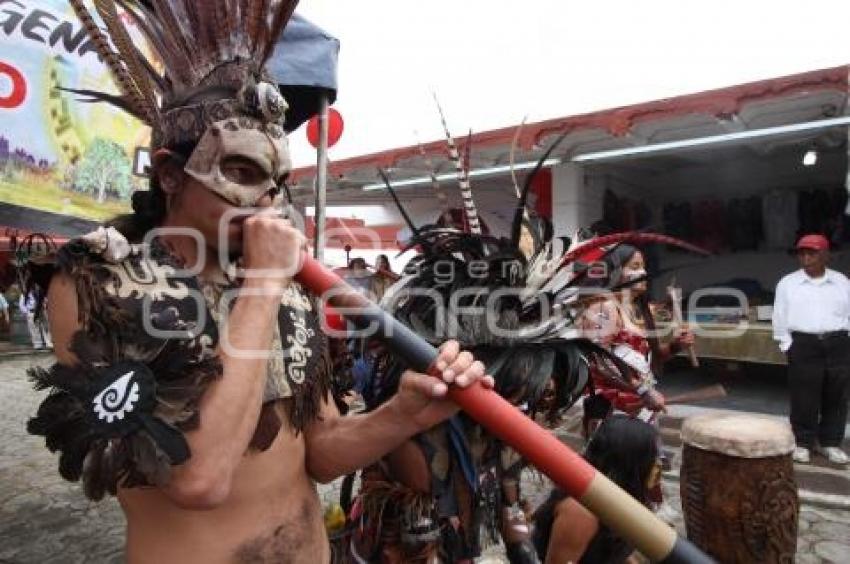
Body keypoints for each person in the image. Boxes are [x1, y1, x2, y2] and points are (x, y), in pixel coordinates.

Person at [24, 4, 492, 563]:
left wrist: (403, 414)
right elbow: (198, 480)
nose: (268, 201)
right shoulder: (97, 284)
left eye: (277, 182)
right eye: (243, 174)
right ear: (171, 174)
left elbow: (317, 452)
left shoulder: (283, 289)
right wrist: (265, 283)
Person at [578, 244, 693, 521]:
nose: (642, 272)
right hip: (610, 405)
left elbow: (649, 361)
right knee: (613, 464)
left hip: (641, 404)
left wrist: (675, 346)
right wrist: (642, 390)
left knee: (646, 458)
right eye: (634, 266)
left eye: (643, 266)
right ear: (616, 271)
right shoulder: (603, 306)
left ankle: (644, 508)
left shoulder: (639, 311)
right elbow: (598, 360)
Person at [532, 415, 660, 564]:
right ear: (631, 463)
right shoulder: (581, 512)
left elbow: (612, 552)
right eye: (653, 456)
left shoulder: (617, 499)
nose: (657, 463)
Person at [772, 233, 849, 465]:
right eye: (802, 253)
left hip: (838, 342)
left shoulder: (842, 282)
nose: (806, 257)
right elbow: (779, 316)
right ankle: (803, 443)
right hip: (804, 344)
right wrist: (787, 344)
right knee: (804, 396)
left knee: (836, 395)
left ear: (826, 255)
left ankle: (830, 443)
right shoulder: (788, 283)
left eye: (812, 253)